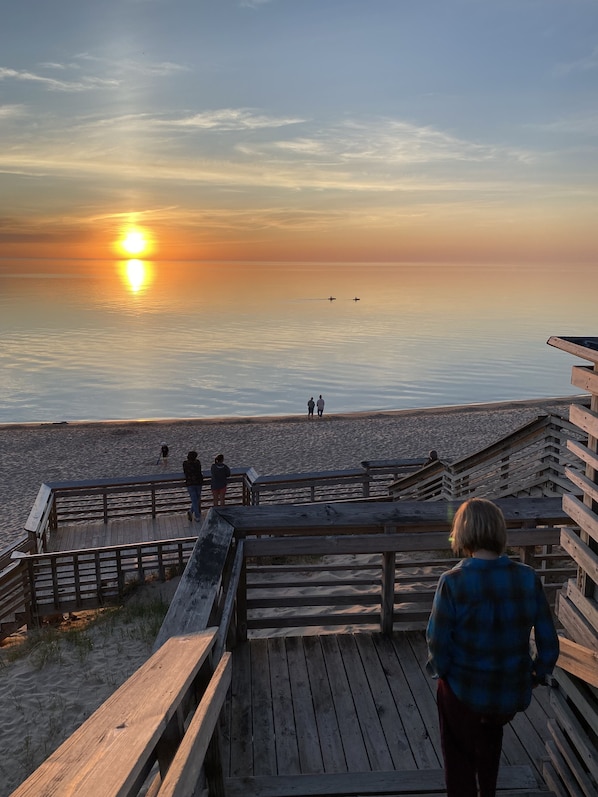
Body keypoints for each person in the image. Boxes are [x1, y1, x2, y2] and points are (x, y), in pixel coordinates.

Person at [426, 498, 559, 797]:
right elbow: (548, 640)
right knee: (490, 745)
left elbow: (437, 640)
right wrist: (536, 675)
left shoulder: (452, 581)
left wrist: (441, 671)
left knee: (458, 756)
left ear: (463, 533)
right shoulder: (527, 577)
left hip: (465, 689)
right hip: (506, 691)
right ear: (499, 531)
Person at [182, 450, 203, 521]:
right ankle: (197, 515)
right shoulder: (197, 463)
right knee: (197, 499)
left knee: (194, 499)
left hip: (189, 483)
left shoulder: (185, 464)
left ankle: (191, 511)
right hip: (198, 482)